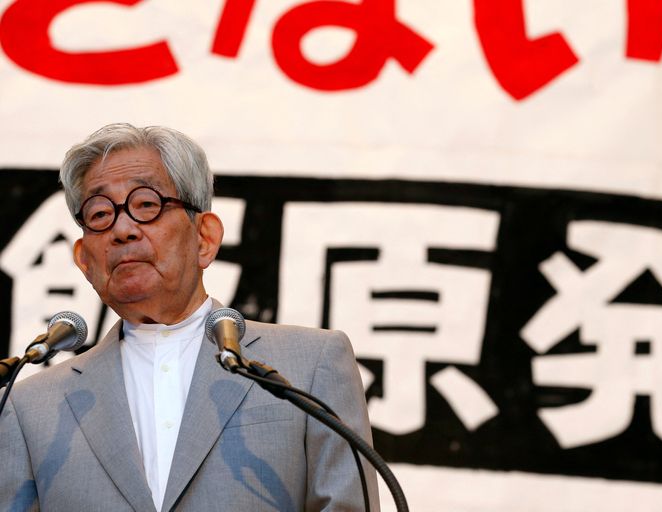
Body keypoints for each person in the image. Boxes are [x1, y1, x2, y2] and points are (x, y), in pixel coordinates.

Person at [0, 123, 380, 511]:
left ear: (205, 238)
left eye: (146, 205)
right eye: (100, 213)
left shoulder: (311, 364)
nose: (123, 229)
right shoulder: (32, 406)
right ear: (83, 259)